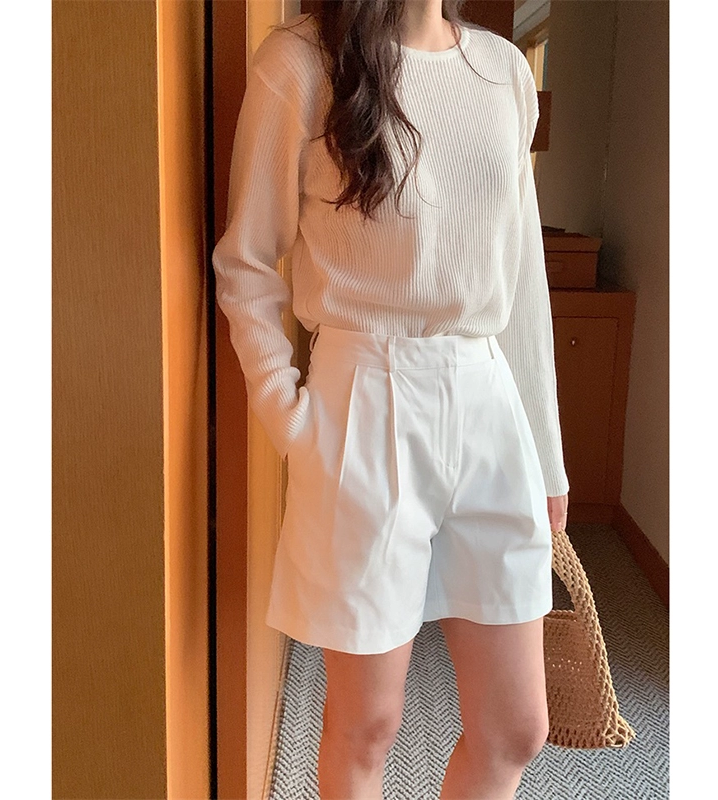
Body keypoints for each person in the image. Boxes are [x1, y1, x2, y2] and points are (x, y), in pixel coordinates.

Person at [212, 1, 569, 797]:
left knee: (516, 726)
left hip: (489, 400)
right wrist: (291, 419)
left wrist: (545, 456)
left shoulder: (504, 72)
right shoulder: (300, 64)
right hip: (364, 399)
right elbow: (247, 263)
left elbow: (523, 278)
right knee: (366, 723)